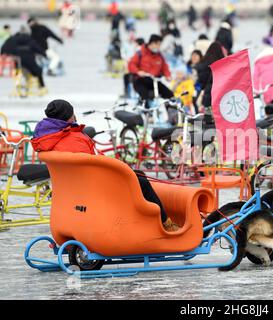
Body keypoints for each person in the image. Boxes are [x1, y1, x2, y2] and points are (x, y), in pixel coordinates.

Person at [31, 99, 179, 231]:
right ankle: (165, 223)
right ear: (69, 117)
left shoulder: (50, 138)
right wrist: (119, 169)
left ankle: (149, 219)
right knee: (143, 182)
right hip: (94, 187)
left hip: (76, 188)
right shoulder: (73, 138)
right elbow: (92, 165)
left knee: (139, 174)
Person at [128, 34, 173, 107]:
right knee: (145, 97)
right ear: (152, 43)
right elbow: (131, 64)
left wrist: (168, 75)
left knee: (169, 95)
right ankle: (147, 114)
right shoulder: (141, 53)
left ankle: (171, 114)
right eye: (157, 44)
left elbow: (164, 67)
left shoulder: (159, 55)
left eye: (159, 45)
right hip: (140, 80)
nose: (159, 47)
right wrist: (138, 72)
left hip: (153, 80)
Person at [1, 26, 48, 94]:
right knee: (39, 71)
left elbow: (4, 48)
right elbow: (38, 49)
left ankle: (20, 85)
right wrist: (45, 55)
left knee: (19, 72)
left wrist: (5, 54)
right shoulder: (30, 39)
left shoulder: (12, 39)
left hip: (18, 64)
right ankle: (42, 86)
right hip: (30, 64)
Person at [194, 41, 226, 113]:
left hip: (206, 96)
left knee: (201, 117)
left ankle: (199, 124)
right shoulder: (222, 64)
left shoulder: (204, 63)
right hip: (220, 96)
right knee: (216, 118)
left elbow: (201, 80)